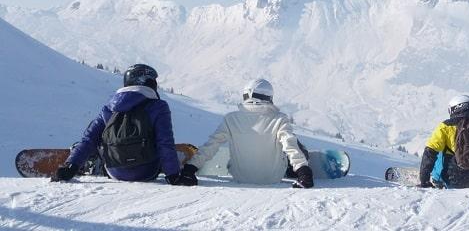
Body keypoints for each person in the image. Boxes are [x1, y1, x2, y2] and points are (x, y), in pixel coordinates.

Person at [51, 64, 194, 186]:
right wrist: (173, 175)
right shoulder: (158, 106)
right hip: (147, 172)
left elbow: (89, 139)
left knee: (95, 133)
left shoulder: (109, 107)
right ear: (147, 82)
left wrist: (70, 166)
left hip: (115, 172)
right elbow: (165, 142)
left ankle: (90, 161)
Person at [179, 78, 314, 188]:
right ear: (268, 97)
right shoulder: (279, 119)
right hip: (272, 178)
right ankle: (298, 167)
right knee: (291, 139)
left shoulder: (231, 119)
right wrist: (304, 173)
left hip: (240, 177)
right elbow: (289, 145)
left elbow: (212, 144)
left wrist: (190, 168)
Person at [419, 95, 469, 189]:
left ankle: (436, 180)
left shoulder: (446, 127)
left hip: (453, 179)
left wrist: (424, 181)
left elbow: (429, 152)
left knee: (439, 151)